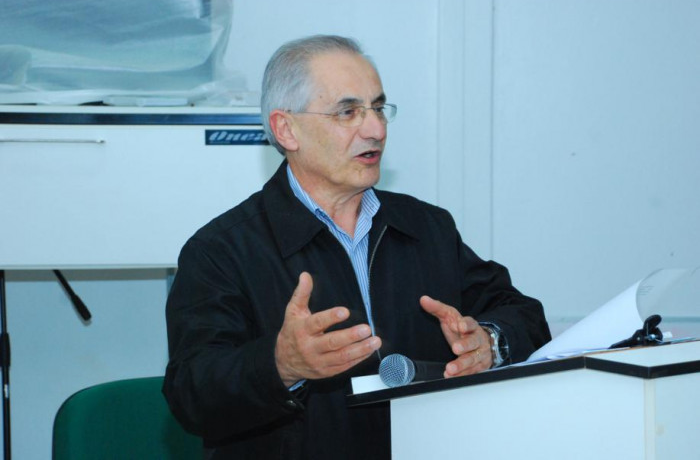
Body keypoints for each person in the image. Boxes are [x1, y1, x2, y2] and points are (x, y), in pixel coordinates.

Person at [163, 34, 551, 459]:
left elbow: (524, 315)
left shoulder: (427, 227)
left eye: (378, 108)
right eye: (348, 112)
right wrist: (280, 365)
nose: (376, 130)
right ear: (286, 129)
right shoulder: (222, 250)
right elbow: (190, 395)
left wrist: (489, 343)